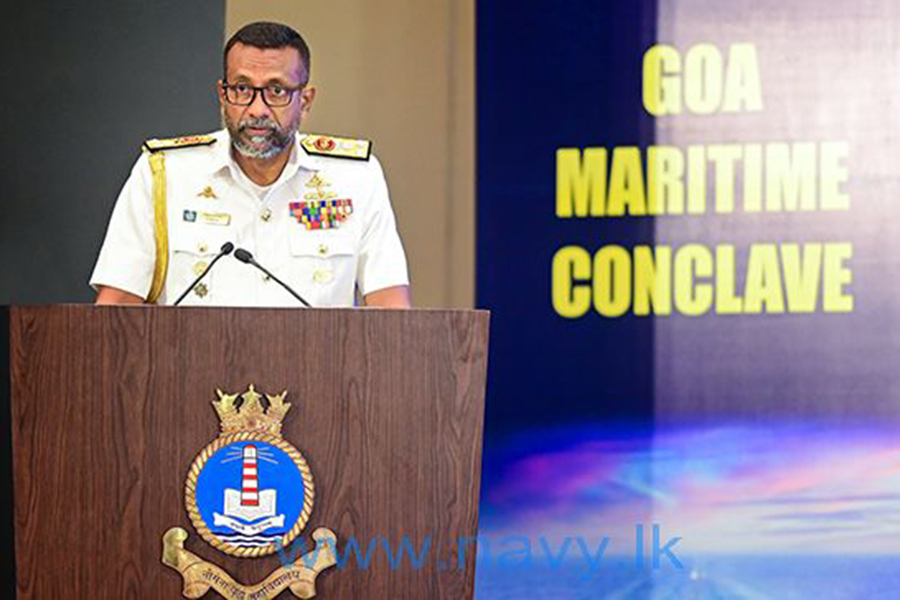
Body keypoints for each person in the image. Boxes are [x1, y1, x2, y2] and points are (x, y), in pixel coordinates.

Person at [90, 21, 411, 308]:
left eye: (276, 90)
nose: (257, 109)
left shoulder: (355, 178)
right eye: (242, 89)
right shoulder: (164, 174)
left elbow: (391, 313)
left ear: (306, 101)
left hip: (318, 372)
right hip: (192, 372)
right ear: (222, 95)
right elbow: (115, 312)